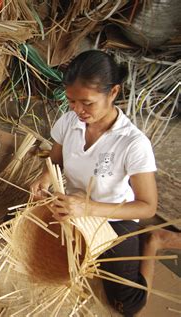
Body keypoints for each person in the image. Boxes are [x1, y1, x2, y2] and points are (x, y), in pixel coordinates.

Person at [29, 50, 181, 316]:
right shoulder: (69, 121)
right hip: (73, 206)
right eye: (71, 101)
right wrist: (43, 180)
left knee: (127, 305)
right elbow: (55, 161)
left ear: (113, 93)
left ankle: (153, 241)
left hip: (113, 215)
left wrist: (88, 208)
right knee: (33, 249)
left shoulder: (133, 143)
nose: (77, 110)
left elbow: (147, 207)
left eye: (87, 102)